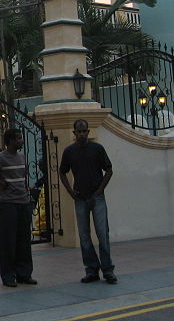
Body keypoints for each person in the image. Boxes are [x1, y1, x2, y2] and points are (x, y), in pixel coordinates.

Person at [59, 118, 117, 284]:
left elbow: (109, 170)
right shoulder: (69, 152)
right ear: (74, 133)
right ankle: (91, 269)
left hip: (96, 197)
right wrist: (70, 191)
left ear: (88, 132)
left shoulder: (97, 149)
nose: (82, 134)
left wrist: (100, 190)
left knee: (102, 234)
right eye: (79, 131)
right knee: (84, 236)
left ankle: (108, 270)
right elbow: (62, 172)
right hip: (80, 198)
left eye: (85, 131)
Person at [0, 128, 36, 287]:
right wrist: (0, 183)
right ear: (10, 141)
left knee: (24, 240)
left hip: (23, 202)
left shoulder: (21, 156)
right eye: (18, 138)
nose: (21, 141)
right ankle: (8, 276)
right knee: (8, 241)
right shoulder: (1, 158)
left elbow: (22, 177)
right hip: (8, 204)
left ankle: (24, 273)